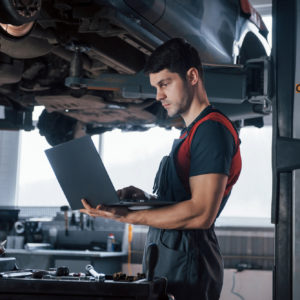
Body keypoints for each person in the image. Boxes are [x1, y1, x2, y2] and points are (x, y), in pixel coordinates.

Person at [80, 38, 242, 300]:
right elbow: (183, 201)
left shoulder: (211, 130)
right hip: (170, 256)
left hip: (189, 262)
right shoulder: (190, 132)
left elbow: (201, 214)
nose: (158, 96)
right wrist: (144, 201)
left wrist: (127, 217)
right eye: (156, 86)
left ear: (191, 76)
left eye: (165, 84)